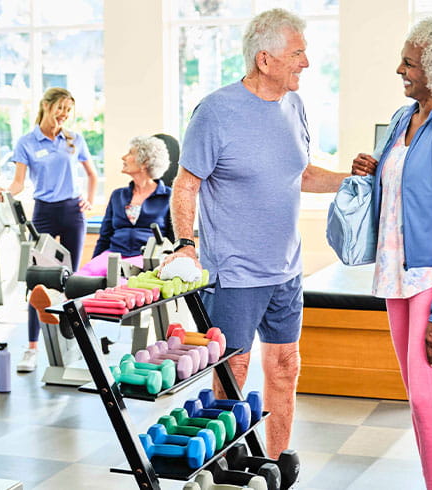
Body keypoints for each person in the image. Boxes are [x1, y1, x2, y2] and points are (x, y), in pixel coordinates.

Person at [166, 8, 348, 458]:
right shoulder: (216, 111)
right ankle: (224, 463)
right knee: (234, 369)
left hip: (286, 269)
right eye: (297, 53)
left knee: (285, 366)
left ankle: (276, 461)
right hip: (235, 272)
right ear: (264, 60)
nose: (305, 62)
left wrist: (354, 180)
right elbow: (186, 183)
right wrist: (187, 246)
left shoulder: (295, 105)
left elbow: (300, 173)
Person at [351, 17, 432, 490]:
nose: (399, 70)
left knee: (427, 404)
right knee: (425, 402)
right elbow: (398, 184)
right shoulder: (405, 118)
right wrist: (369, 168)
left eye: (409, 63)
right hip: (397, 275)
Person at [0, 87, 98, 373]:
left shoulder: (73, 139)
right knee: (37, 280)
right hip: (44, 213)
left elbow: (92, 174)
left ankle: (78, 342)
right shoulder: (27, 142)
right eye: (60, 108)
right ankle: (31, 348)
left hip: (72, 213)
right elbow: (19, 183)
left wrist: (88, 198)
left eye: (68, 110)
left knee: (71, 281)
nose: (64, 114)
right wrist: (6, 190)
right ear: (46, 106)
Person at [77, 135, 172, 276]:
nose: (123, 157)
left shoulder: (169, 197)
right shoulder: (117, 196)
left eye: (130, 153)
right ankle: (51, 296)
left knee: (119, 283)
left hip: (146, 260)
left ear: (145, 162)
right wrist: (93, 264)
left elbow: (174, 241)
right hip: (114, 255)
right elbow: (105, 237)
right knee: (79, 280)